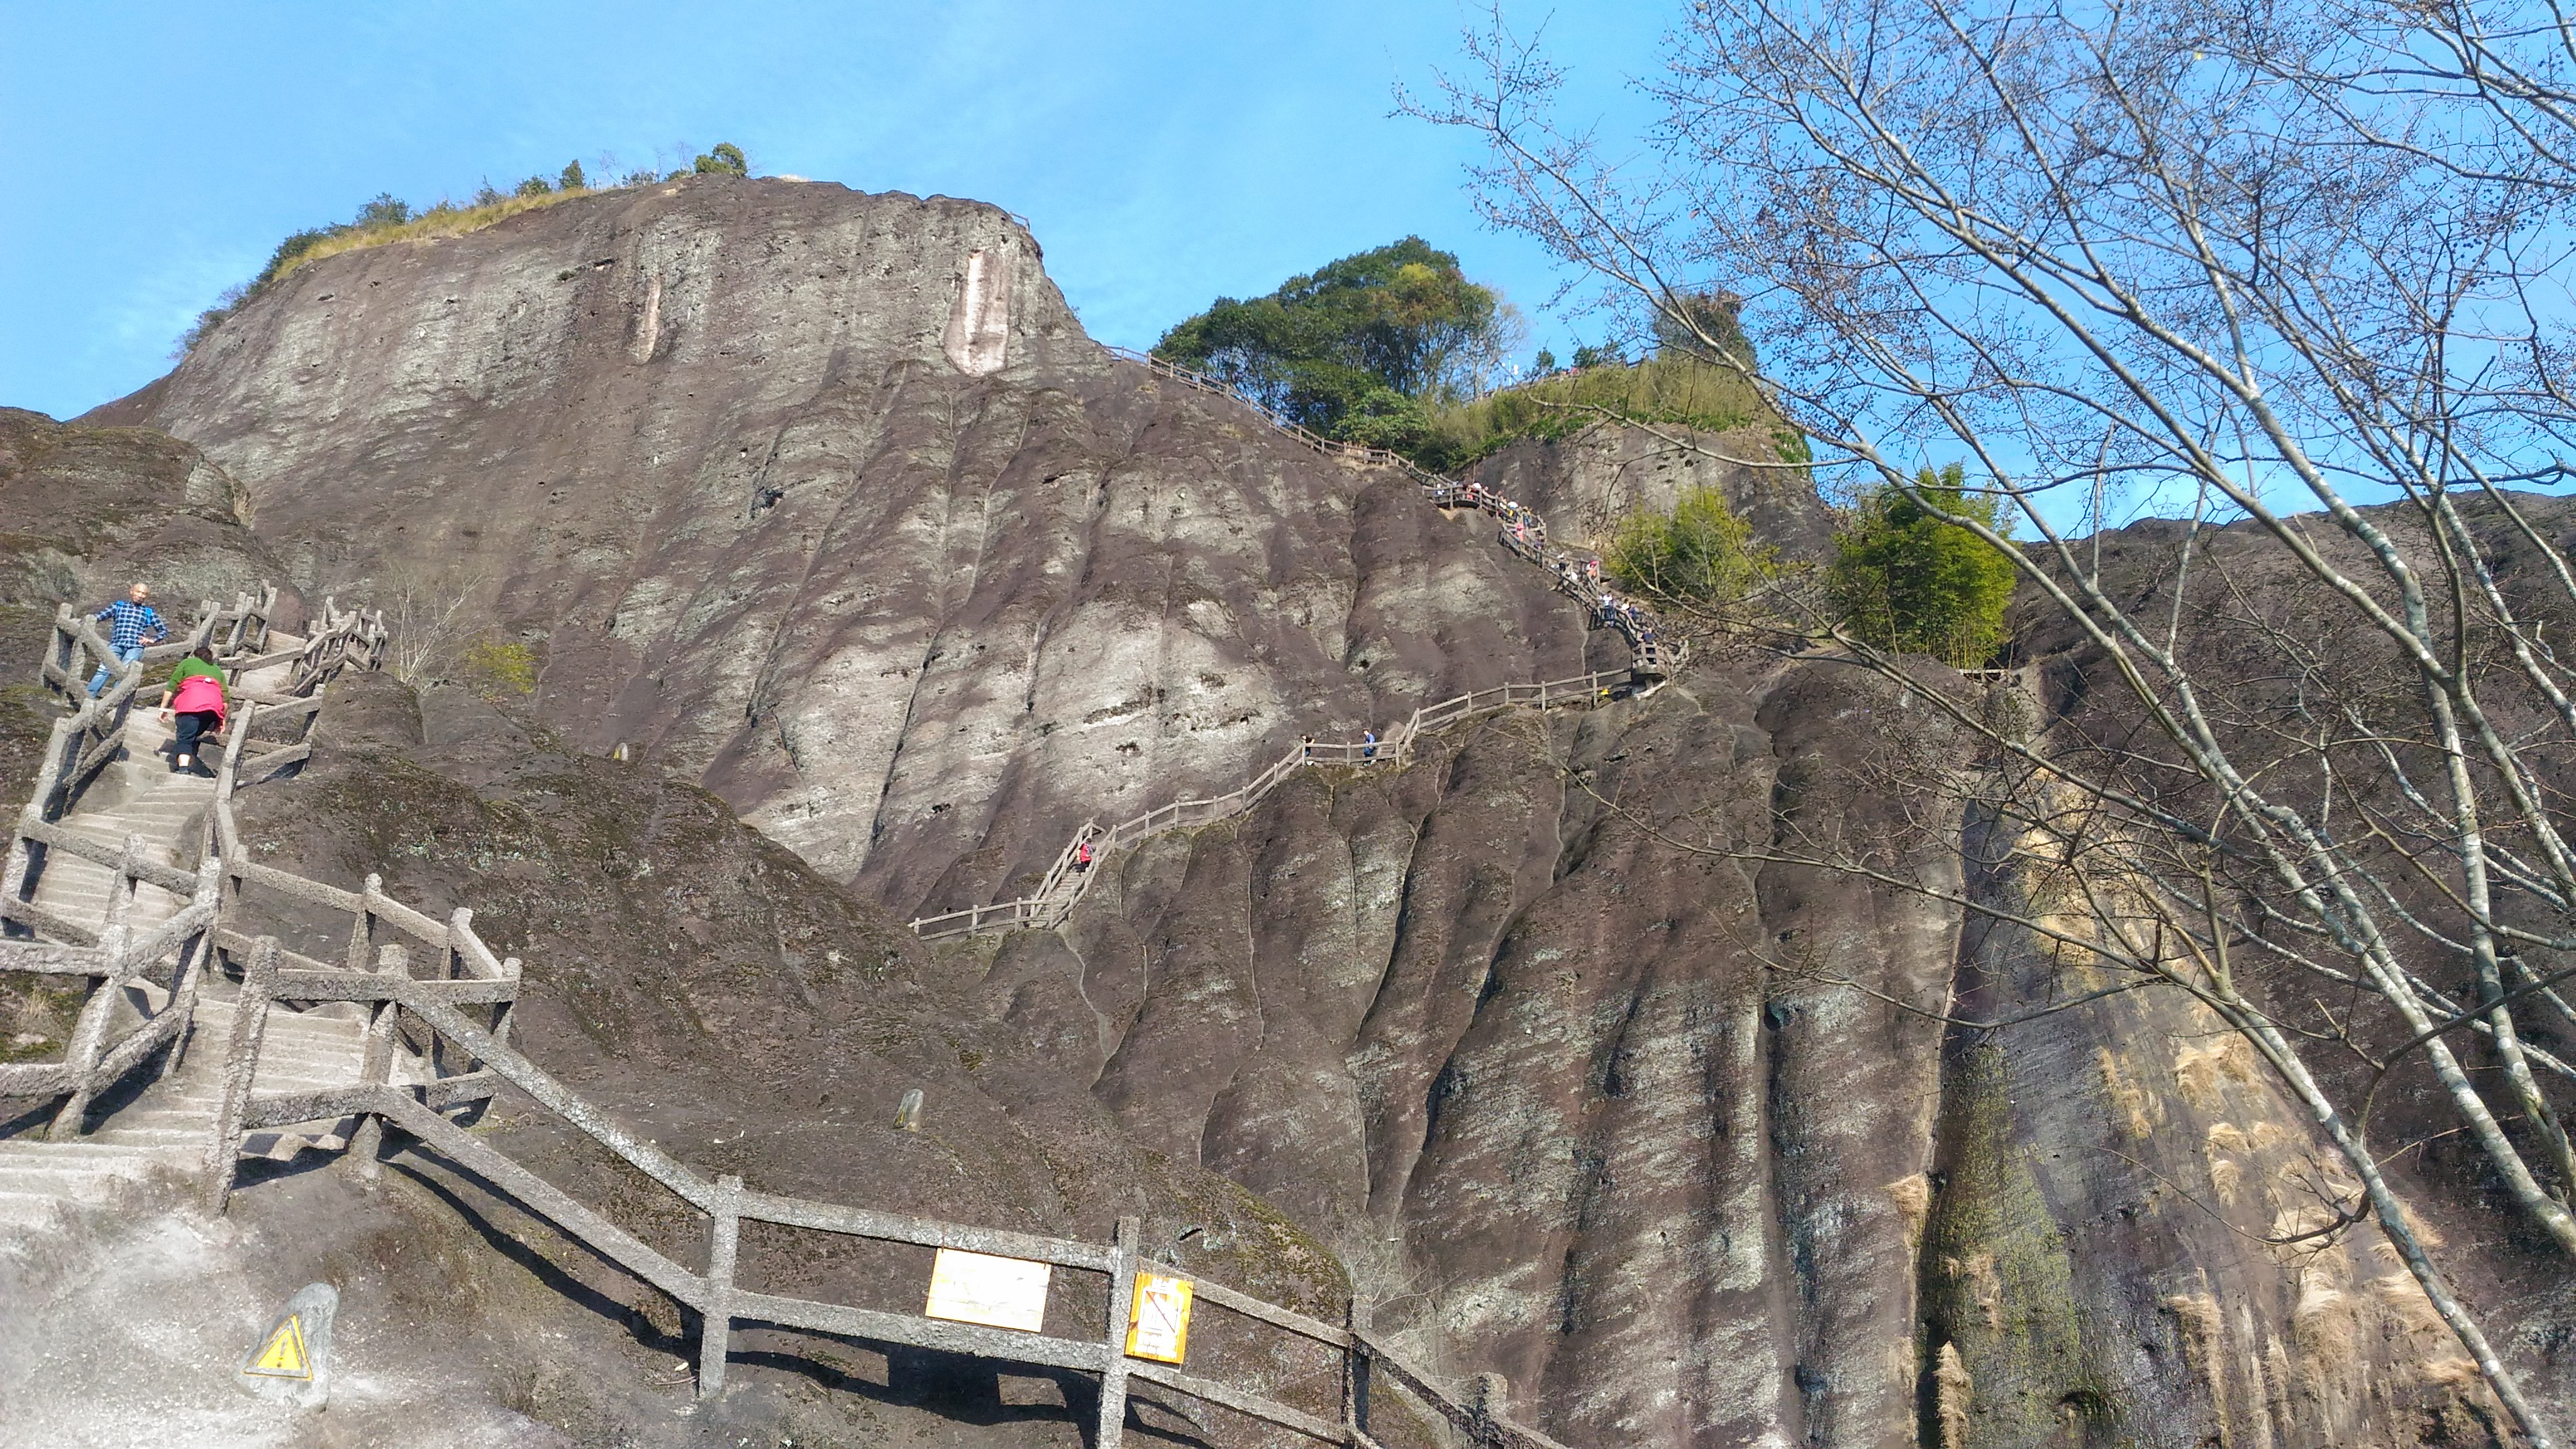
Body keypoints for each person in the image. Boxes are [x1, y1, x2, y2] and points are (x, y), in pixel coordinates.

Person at [88, 582, 167, 696]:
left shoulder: (148, 612)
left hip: (135, 646)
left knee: (124, 675)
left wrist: (152, 639)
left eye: (144, 594)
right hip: (117, 643)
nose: (140, 596)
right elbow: (99, 617)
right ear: (132, 592)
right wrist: (86, 623)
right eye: (138, 592)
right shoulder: (119, 606)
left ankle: (113, 701)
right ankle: (88, 697)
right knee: (103, 670)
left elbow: (163, 630)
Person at [160, 649, 227, 775]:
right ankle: (189, 760)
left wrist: (163, 708)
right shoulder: (217, 670)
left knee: (185, 737)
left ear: (194, 655)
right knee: (193, 734)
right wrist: (222, 720)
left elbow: (172, 686)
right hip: (213, 708)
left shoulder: (187, 663)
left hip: (190, 704)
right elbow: (226, 699)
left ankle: (183, 769)